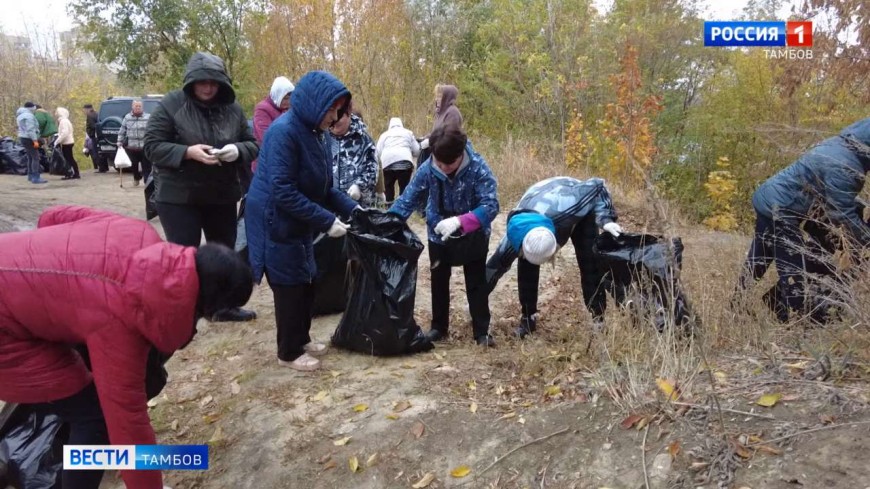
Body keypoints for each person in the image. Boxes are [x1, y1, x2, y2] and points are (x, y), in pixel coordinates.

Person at [0, 205, 254, 489]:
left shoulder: (138, 232)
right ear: (207, 307)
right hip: (5, 332)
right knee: (95, 418)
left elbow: (51, 217)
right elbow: (128, 425)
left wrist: (50, 285)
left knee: (84, 392)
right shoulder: (121, 321)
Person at [246, 70, 358, 371]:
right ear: (315, 104)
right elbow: (282, 190)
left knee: (308, 278)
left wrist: (353, 210)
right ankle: (288, 351)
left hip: (299, 220)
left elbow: (325, 187)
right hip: (275, 219)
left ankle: (303, 337)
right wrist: (325, 220)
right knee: (289, 285)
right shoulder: (283, 132)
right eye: (332, 109)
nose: (335, 117)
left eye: (339, 110)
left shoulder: (316, 133)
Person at [144, 51, 259, 323]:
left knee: (224, 253)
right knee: (184, 256)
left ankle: (224, 307)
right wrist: (187, 152)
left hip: (221, 193)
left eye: (214, 82)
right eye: (202, 82)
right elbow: (151, 146)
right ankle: (184, 309)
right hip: (179, 196)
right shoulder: (172, 104)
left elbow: (252, 143)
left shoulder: (232, 108)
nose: (208, 87)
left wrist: (237, 150)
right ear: (191, 81)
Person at [737, 117, 870, 322]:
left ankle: (737, 304)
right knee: (792, 268)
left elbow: (834, 194)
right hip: (780, 209)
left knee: (759, 259)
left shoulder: (838, 145)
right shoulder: (846, 165)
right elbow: (841, 213)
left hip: (771, 199)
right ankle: (798, 317)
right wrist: (865, 240)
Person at [389, 124, 499, 346]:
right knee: (439, 279)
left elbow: (491, 205)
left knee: (476, 281)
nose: (443, 167)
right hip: (438, 234)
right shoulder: (429, 168)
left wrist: (461, 221)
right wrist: (385, 223)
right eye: (439, 163)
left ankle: (481, 332)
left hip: (473, 234)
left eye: (449, 164)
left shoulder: (478, 167)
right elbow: (407, 200)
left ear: (460, 155)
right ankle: (439, 327)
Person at [485, 177, 622, 337]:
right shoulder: (513, 239)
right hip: (538, 205)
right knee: (526, 268)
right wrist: (476, 301)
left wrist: (606, 219)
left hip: (570, 199)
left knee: (590, 262)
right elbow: (493, 268)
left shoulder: (569, 209)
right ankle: (528, 318)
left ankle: (598, 320)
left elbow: (598, 185)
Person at [329, 103, 379, 207]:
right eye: (331, 116)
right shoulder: (321, 138)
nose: (335, 120)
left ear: (348, 114)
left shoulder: (364, 139)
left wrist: (359, 186)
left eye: (340, 116)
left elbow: (372, 169)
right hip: (327, 209)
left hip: (356, 206)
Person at [376, 117, 420, 205]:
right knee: (404, 189)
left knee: (388, 189)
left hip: (387, 164)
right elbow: (417, 151)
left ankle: (389, 207)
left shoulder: (384, 135)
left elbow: (377, 152)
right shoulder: (408, 133)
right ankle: (401, 208)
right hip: (405, 163)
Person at [419, 84, 463, 166]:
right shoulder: (440, 113)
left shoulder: (452, 113)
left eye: (440, 96)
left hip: (446, 158)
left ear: (447, 98)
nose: (437, 99)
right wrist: (425, 138)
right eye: (436, 96)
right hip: (436, 154)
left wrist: (431, 142)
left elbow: (450, 136)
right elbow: (437, 132)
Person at [117, 99, 151, 186]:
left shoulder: (148, 117)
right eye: (136, 106)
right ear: (132, 107)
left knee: (146, 166)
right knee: (133, 165)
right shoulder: (127, 117)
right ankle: (136, 178)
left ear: (142, 107)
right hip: (132, 147)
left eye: (139, 106)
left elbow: (152, 130)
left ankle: (146, 181)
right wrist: (119, 141)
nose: (138, 108)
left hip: (144, 146)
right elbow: (122, 130)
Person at [16, 101, 47, 184]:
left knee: (30, 156)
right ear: (31, 108)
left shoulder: (20, 115)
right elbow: (30, 129)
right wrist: (35, 140)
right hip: (29, 138)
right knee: (36, 157)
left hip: (22, 137)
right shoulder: (29, 116)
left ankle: (30, 175)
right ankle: (36, 177)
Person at [54, 107, 80, 180]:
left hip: (67, 142)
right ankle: (73, 173)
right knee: (69, 158)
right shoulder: (65, 121)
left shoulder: (63, 121)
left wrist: (57, 141)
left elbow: (64, 132)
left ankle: (72, 173)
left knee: (68, 158)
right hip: (68, 141)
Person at [83, 103, 107, 172]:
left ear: (88, 109)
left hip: (94, 136)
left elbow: (93, 126)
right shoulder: (97, 113)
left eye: (84, 110)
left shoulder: (90, 116)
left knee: (96, 152)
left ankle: (101, 168)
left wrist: (91, 133)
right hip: (99, 136)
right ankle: (105, 167)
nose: (84, 111)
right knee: (101, 151)